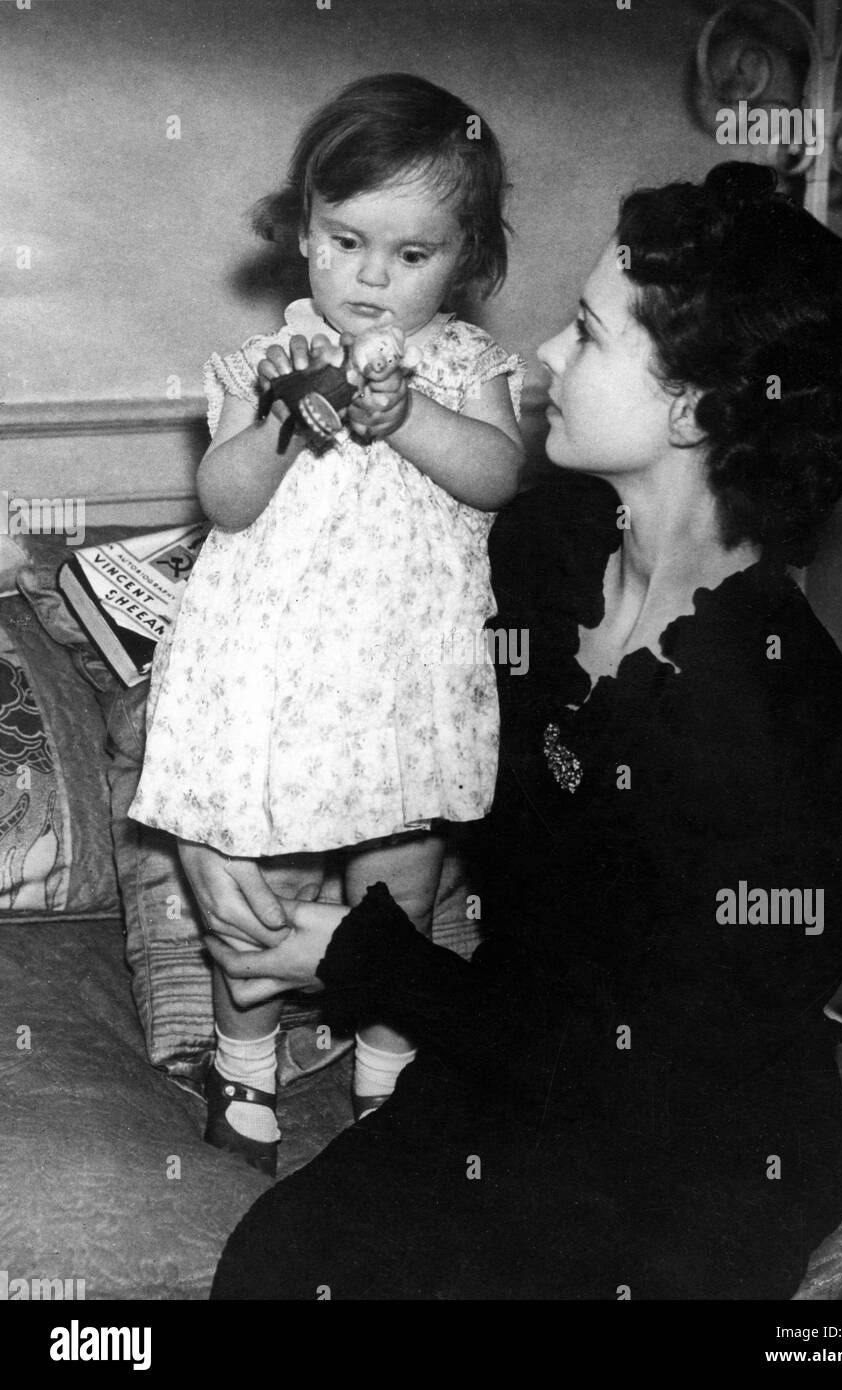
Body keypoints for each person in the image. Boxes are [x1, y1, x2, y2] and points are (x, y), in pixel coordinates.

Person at [189, 161, 842, 1298]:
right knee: (278, 1270)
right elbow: (338, 662)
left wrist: (358, 956)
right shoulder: (544, 549)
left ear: (691, 406)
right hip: (497, 1071)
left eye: (585, 333)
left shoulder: (775, 730)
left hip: (682, 1156)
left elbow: (638, 1061)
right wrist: (211, 818)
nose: (544, 361)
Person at [128, 73, 525, 1174]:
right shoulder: (265, 366)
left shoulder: (463, 365)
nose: (371, 277)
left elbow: (494, 477)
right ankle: (241, 1064)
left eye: (413, 256)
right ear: (303, 230)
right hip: (275, 684)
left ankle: (385, 1070)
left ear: (467, 260)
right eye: (347, 240)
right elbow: (226, 501)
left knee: (400, 883)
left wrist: (410, 418)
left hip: (403, 684)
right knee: (260, 886)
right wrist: (284, 422)